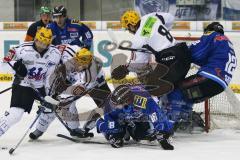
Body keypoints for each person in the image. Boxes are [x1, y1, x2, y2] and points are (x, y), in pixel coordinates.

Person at [160, 22, 237, 131]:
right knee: (188, 96)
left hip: (209, 78)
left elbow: (195, 53)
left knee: (176, 90)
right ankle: (184, 121)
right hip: (220, 86)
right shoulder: (227, 43)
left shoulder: (212, 35)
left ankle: (168, 126)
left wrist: (179, 50)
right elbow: (205, 58)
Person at [29, 46, 111, 139]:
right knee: (54, 102)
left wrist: (58, 102)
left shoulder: (89, 75)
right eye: (77, 62)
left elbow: (74, 93)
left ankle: (98, 122)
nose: (78, 65)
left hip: (96, 85)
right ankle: (42, 128)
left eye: (82, 64)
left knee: (109, 106)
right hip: (71, 80)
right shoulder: (70, 52)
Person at [111, 10, 191, 97]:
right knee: (174, 85)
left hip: (171, 62)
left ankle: (168, 109)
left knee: (152, 87)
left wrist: (125, 70)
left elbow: (139, 64)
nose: (129, 31)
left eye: (128, 28)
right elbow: (170, 18)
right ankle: (182, 108)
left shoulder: (138, 39)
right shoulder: (151, 17)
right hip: (184, 53)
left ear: (131, 25)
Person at [0, 27, 61, 137]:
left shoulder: (55, 53)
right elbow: (2, 65)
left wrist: (49, 95)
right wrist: (16, 67)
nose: (42, 46)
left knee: (53, 108)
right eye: (40, 42)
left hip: (40, 87)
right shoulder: (21, 50)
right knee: (16, 114)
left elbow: (49, 76)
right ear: (36, 39)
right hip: (23, 85)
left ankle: (39, 131)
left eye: (45, 43)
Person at [96, 84, 174, 150]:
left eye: (117, 104)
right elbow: (109, 118)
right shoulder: (111, 104)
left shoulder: (142, 98)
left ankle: (130, 130)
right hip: (120, 118)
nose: (114, 105)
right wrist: (113, 134)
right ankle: (98, 122)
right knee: (115, 134)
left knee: (144, 134)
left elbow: (154, 112)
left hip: (137, 117)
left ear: (127, 101)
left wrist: (161, 131)